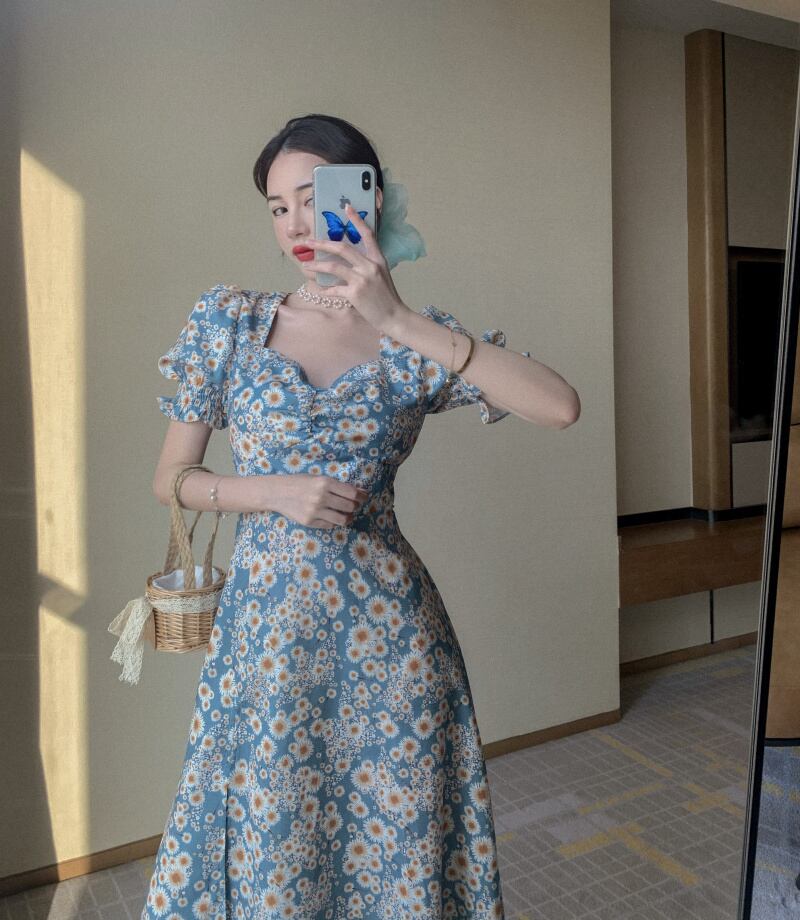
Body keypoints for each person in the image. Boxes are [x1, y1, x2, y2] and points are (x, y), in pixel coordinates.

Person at [143, 113, 579, 920]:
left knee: (394, 856)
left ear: (366, 201)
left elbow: (560, 407)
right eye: (278, 208)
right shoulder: (231, 321)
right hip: (268, 642)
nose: (295, 226)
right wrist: (271, 492)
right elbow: (172, 479)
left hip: (394, 646)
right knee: (273, 849)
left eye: (314, 200)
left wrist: (398, 319)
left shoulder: (413, 340)